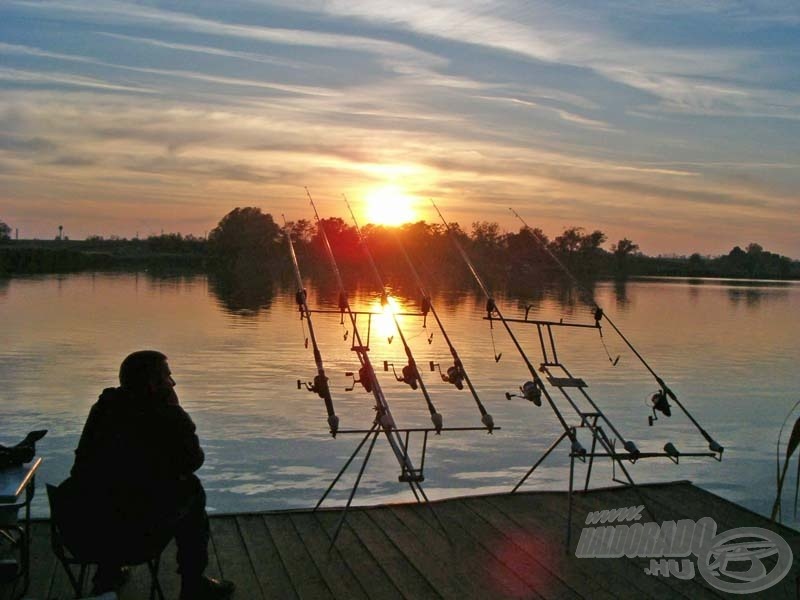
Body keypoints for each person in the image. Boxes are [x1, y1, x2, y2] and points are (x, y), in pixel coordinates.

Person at [59, 350, 234, 599]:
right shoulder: (167, 416)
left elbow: (80, 467)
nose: (173, 383)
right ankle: (192, 584)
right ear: (153, 385)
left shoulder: (103, 409)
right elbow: (193, 461)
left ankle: (107, 576)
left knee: (106, 491)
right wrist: (177, 411)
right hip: (138, 539)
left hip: (82, 534)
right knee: (192, 490)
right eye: (168, 378)